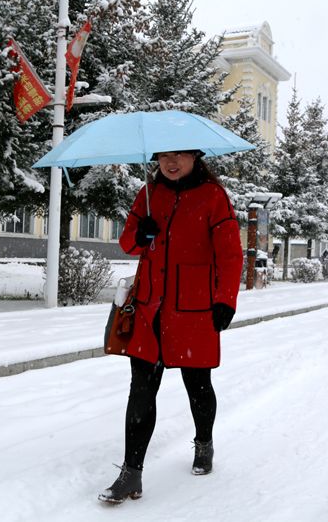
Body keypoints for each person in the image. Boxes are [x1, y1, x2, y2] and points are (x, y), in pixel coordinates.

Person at [98, 150, 243, 504]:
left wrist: (226, 299)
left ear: (195, 157)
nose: (170, 162)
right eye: (164, 156)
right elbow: (128, 241)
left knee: (198, 385)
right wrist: (143, 236)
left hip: (194, 311)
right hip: (150, 310)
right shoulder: (149, 195)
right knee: (141, 391)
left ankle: (204, 443)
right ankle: (131, 474)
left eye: (179, 155)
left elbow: (229, 253)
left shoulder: (212, 196)